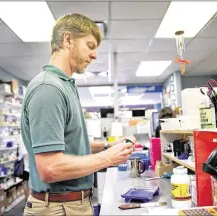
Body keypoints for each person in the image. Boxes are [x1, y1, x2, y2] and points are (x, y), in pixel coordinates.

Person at [21, 13, 135, 216]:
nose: (95, 55)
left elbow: (66, 144)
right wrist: (108, 158)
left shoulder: (64, 86)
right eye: (90, 46)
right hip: (57, 208)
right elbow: (50, 168)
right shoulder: (49, 89)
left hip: (70, 205)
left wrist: (108, 146)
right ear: (67, 40)